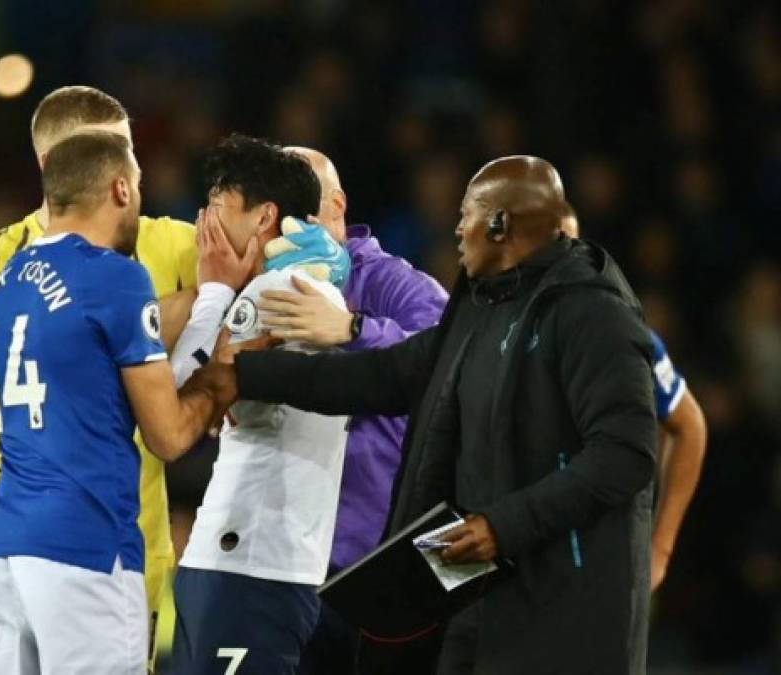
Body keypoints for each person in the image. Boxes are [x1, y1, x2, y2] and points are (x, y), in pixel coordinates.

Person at [191, 155, 658, 674]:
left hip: (566, 605)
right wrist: (248, 377)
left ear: (505, 225)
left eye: (469, 214)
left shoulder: (594, 313)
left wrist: (502, 525)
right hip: (475, 594)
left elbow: (627, 455)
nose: (456, 227)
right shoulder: (482, 309)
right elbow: (385, 377)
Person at [0, 86, 205, 675]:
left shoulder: (164, 241)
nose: (123, 180)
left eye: (123, 153)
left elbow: (253, 262)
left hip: (120, 544)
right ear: (51, 165)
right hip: (46, 542)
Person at [0, 131, 221, 674]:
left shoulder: (6, 283)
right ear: (119, 188)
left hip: (9, 549)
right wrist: (217, 385)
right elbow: (169, 436)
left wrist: (211, 297)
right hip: (85, 549)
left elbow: (102, 334)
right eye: (137, 185)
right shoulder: (115, 276)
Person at [255, 146, 448, 674]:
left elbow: (450, 363)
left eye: (301, 209)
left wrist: (353, 329)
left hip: (369, 568)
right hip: (282, 562)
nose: (283, 227)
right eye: (273, 211)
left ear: (336, 205)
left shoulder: (392, 283)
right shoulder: (258, 286)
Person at [168, 135, 351, 675]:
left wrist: (214, 293)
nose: (205, 222)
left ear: (265, 215)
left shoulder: (275, 290)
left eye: (219, 206)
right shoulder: (304, 285)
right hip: (265, 559)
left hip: (246, 561)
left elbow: (179, 398)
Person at [561, 210, 707, 590]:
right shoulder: (487, 332)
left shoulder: (622, 336)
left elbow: (689, 426)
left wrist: (659, 550)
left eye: (568, 247)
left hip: (597, 568)